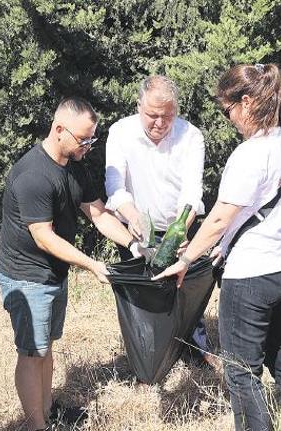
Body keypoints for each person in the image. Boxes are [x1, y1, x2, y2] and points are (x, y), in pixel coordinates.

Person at [154, 63, 281, 431]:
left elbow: (221, 218)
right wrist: (225, 246)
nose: (229, 120)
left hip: (252, 276)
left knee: (242, 372)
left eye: (228, 111)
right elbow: (265, 212)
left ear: (246, 102)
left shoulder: (250, 154)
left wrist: (186, 257)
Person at [0, 97, 136, 431]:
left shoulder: (74, 165)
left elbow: (98, 213)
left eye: (92, 139)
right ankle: (35, 425)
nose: (88, 146)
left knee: (45, 347)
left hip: (52, 273)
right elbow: (44, 237)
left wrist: (133, 242)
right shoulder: (32, 175)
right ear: (59, 130)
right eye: (83, 139)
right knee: (33, 352)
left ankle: (46, 410)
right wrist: (92, 264)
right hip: (26, 276)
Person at [104, 74, 215, 367]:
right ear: (139, 105)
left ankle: (196, 350)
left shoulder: (191, 136)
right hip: (136, 230)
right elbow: (115, 187)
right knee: (142, 297)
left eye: (168, 115)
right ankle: (148, 357)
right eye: (152, 115)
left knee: (184, 291)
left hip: (178, 229)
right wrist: (133, 217)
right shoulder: (120, 132)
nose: (160, 123)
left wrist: (182, 229)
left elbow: (192, 191)